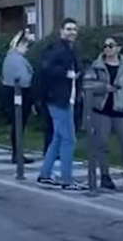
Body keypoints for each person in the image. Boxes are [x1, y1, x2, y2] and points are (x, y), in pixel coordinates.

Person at [37, 18, 86, 191]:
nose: (72, 32)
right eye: (68, 29)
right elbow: (46, 68)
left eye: (74, 29)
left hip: (65, 98)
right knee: (68, 139)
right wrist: (67, 73)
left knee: (58, 138)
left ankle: (45, 174)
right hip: (59, 99)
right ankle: (67, 179)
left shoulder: (71, 48)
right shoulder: (59, 48)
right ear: (61, 31)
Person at [91, 38, 123, 190]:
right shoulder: (97, 66)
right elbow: (89, 85)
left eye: (111, 46)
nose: (107, 48)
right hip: (102, 110)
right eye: (105, 46)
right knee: (102, 144)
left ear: (118, 48)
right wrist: (104, 87)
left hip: (121, 110)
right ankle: (105, 176)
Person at [1, 30, 35, 164]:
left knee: (17, 125)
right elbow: (24, 79)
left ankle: (17, 153)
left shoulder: (9, 57)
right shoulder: (16, 59)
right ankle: (18, 154)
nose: (26, 50)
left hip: (12, 93)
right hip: (20, 95)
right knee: (19, 125)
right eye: (25, 47)